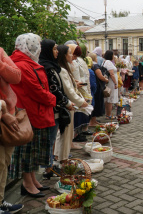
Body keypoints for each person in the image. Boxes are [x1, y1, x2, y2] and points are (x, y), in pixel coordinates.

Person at [9, 33, 56, 198]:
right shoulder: (23, 65)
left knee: (32, 151)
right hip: (30, 114)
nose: (39, 48)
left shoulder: (25, 62)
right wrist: (53, 99)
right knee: (28, 152)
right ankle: (27, 184)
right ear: (30, 46)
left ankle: (32, 181)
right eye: (37, 45)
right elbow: (35, 90)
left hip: (32, 112)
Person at [38, 39, 72, 179]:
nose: (57, 51)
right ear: (47, 50)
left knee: (51, 138)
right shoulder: (46, 67)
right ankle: (47, 168)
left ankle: (49, 166)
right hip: (52, 109)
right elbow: (54, 89)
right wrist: (66, 102)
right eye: (54, 49)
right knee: (50, 139)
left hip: (56, 108)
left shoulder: (52, 66)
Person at [54, 45, 88, 167]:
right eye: (69, 53)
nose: (72, 56)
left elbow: (69, 85)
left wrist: (75, 84)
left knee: (65, 132)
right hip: (67, 104)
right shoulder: (62, 69)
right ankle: (62, 158)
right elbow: (68, 90)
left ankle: (60, 156)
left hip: (69, 104)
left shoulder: (64, 68)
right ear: (64, 55)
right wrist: (81, 102)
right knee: (65, 133)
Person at [0, 46, 23, 213]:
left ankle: (0, 200)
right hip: (3, 115)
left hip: (8, 117)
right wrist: (3, 112)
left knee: (4, 162)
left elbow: (16, 76)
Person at [87, 53, 108, 127]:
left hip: (95, 85)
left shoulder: (90, 65)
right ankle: (93, 122)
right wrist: (106, 79)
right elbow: (100, 76)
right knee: (96, 104)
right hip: (97, 87)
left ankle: (94, 120)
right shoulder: (95, 66)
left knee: (95, 103)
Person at [103, 50, 118, 119]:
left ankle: (108, 114)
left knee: (108, 98)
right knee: (110, 98)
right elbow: (111, 74)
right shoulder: (108, 62)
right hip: (111, 82)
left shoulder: (106, 61)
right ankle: (108, 115)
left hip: (110, 82)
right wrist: (115, 83)